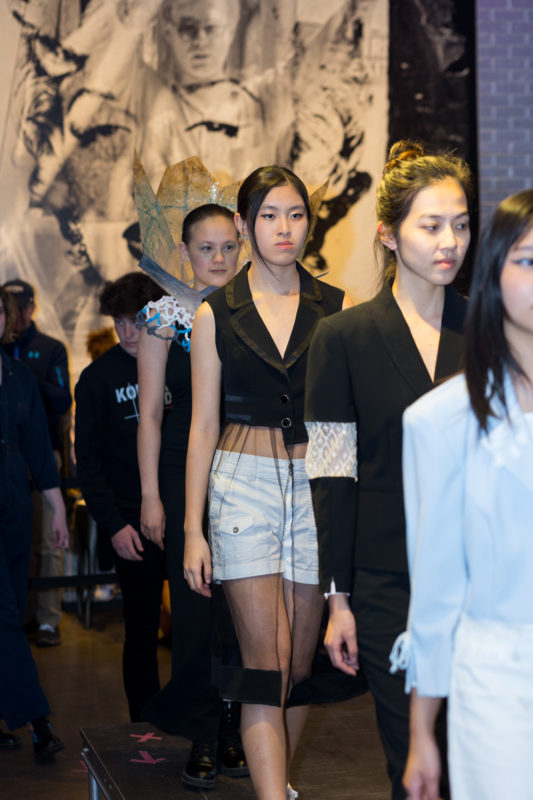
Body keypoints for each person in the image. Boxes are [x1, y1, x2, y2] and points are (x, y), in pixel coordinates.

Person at [303, 141, 472, 799]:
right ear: (387, 234)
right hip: (384, 580)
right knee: (415, 755)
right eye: (429, 225)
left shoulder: (491, 327)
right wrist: (337, 599)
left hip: (482, 575)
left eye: (458, 224)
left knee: (476, 751)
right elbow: (331, 474)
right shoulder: (341, 338)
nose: (448, 241)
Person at [183, 165, 351, 800]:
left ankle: (276, 782)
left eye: (297, 215)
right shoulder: (214, 312)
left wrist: (344, 513)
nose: (285, 228)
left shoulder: (336, 308)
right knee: (266, 666)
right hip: (240, 486)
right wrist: (191, 529)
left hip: (315, 487)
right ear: (245, 225)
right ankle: (273, 794)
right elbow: (201, 426)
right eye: (271, 215)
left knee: (300, 668)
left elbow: (341, 423)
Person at [393, 189, 533, 800]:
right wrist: (423, 731)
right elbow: (437, 586)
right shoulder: (442, 420)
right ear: (496, 271)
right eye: (529, 260)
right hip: (499, 683)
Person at [137, 203, 244, 790]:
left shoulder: (255, 310)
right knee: (198, 609)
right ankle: (203, 734)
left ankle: (234, 727)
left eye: (229, 246)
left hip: (246, 468)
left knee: (242, 611)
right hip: (183, 474)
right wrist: (152, 497)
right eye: (207, 248)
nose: (220, 259)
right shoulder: (162, 315)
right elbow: (150, 415)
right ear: (183, 252)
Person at [74, 272, 166, 722]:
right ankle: (145, 723)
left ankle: (197, 721)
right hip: (131, 522)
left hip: (187, 516)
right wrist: (113, 523)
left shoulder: (182, 361)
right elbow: (86, 464)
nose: (129, 333)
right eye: (119, 323)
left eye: (137, 321)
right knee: (142, 631)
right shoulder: (96, 380)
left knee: (197, 628)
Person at [0, 286, 69, 758]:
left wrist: (58, 507)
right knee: (5, 614)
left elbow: (39, 450)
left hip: (14, 506)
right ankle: (38, 718)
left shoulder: (18, 376)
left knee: (9, 604)